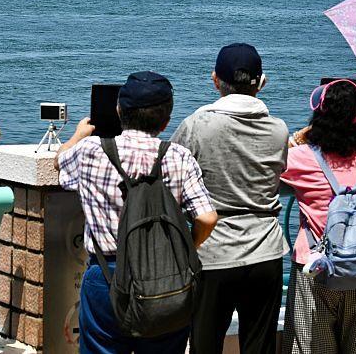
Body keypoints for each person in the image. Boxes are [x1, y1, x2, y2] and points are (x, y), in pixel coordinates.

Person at [56, 71, 219, 354]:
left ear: (119, 111)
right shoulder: (178, 156)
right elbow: (207, 218)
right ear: (166, 119)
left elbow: (60, 163)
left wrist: (77, 136)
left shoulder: (91, 150)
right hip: (166, 275)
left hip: (105, 273)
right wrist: (186, 248)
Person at [171, 43, 288, 354]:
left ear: (215, 80)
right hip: (266, 249)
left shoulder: (198, 125)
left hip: (213, 249)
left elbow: (169, 170)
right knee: (259, 346)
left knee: (205, 344)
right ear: (261, 82)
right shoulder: (279, 130)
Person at [280, 78, 356, 354]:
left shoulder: (301, 158)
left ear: (319, 115)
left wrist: (297, 139)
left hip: (316, 267)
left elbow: (268, 166)